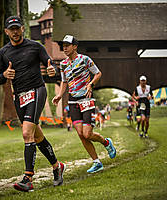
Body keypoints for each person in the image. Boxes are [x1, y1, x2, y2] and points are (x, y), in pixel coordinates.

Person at [0, 16, 66, 192]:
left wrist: (52, 70)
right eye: (11, 29)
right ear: (6, 32)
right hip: (19, 96)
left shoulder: (35, 46)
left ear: (22, 29)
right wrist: (5, 75)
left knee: (27, 132)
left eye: (17, 28)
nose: (15, 31)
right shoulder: (3, 53)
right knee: (36, 136)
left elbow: (52, 66)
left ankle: (28, 178)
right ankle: (57, 166)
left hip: (37, 90)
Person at [52, 35, 116, 173]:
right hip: (73, 100)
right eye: (63, 45)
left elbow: (98, 73)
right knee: (81, 134)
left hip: (86, 99)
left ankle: (106, 142)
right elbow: (64, 82)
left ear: (75, 46)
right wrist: (59, 95)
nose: (65, 48)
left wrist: (91, 85)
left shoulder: (85, 59)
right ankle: (96, 162)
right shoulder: (63, 64)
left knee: (87, 134)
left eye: (68, 45)